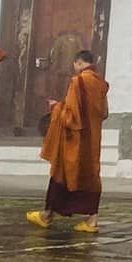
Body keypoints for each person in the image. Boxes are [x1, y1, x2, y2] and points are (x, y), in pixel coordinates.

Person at [28, 48, 109, 233]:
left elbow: (71, 117)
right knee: (91, 175)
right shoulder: (101, 83)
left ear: (78, 63)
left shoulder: (78, 81)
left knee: (61, 173)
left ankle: (47, 215)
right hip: (93, 139)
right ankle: (92, 221)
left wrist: (57, 107)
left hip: (74, 139)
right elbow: (104, 113)